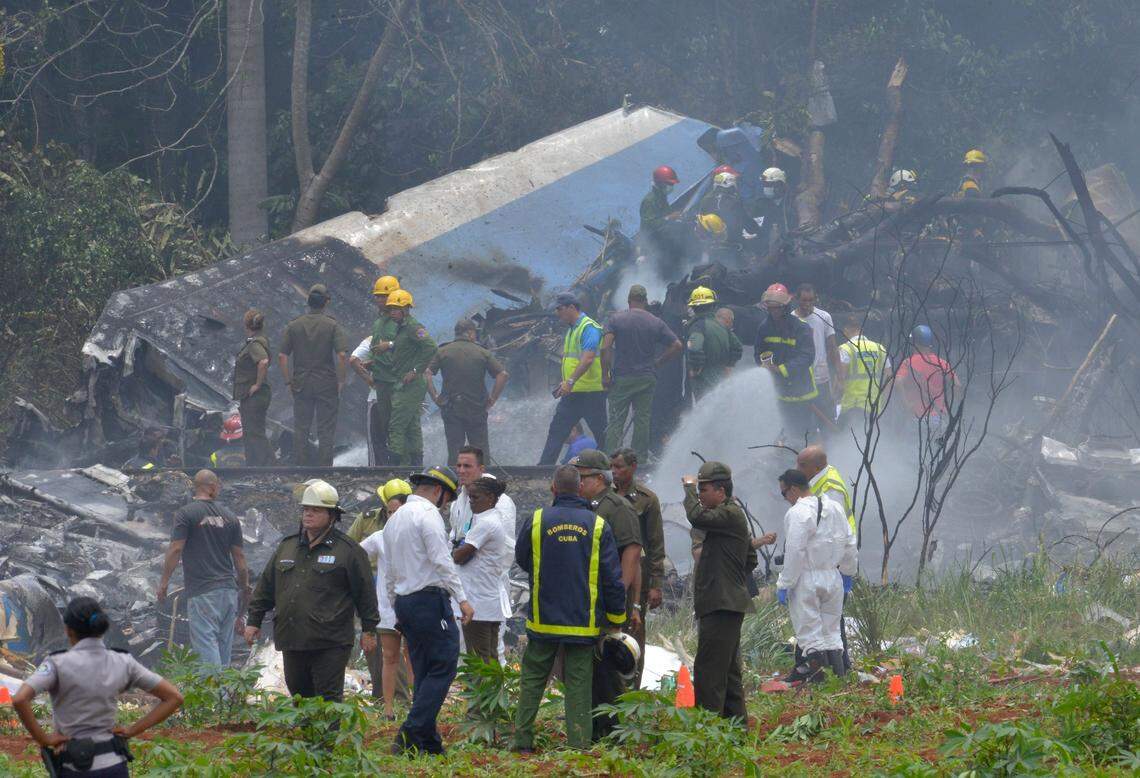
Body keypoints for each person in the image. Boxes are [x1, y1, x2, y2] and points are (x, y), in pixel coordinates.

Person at [512, 465, 627, 753]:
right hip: (582, 623)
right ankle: (579, 746)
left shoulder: (537, 520)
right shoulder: (598, 525)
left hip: (543, 619)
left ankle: (522, 742)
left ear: (553, 488)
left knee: (532, 681)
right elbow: (612, 578)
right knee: (578, 686)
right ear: (579, 489)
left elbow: (523, 559)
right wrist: (616, 619)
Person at [14, 597, 184, 777]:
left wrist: (44, 738)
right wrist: (132, 730)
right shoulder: (123, 662)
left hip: (75, 765)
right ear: (102, 629)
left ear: (68, 630)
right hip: (115, 764)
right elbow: (174, 697)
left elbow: (19, 698)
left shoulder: (57, 664)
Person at [245, 480, 380, 702]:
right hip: (292, 637)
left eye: (315, 510)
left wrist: (369, 630)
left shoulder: (349, 551)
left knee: (327, 698)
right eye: (306, 509)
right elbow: (266, 587)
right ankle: (307, 736)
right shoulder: (287, 546)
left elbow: (365, 593)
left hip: (330, 641)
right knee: (300, 696)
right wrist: (253, 621)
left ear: (332, 515)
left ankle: (327, 737)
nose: (308, 514)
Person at [382, 466, 474, 756]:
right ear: (438, 492)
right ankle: (409, 733)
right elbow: (442, 560)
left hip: (406, 602)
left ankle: (429, 744)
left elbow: (389, 572)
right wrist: (462, 598)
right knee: (445, 663)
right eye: (446, 499)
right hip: (429, 601)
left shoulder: (394, 521)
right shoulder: (428, 515)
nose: (444, 505)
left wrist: (396, 607)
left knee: (423, 670)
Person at [681, 462, 762, 723]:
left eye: (704, 489)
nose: (701, 495)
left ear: (720, 490)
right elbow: (750, 558)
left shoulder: (728, 514)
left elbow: (696, 516)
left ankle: (708, 732)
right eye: (699, 490)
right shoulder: (728, 518)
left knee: (709, 672)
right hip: (726, 602)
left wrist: (688, 488)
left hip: (721, 603)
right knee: (727, 672)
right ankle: (735, 730)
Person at [570, 449, 641, 739]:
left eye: (582, 478)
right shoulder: (584, 506)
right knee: (590, 668)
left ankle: (612, 730)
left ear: (599, 478)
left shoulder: (617, 507)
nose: (578, 484)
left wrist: (619, 595)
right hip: (587, 599)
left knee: (607, 667)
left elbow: (632, 551)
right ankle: (594, 725)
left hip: (606, 600)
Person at [157, 470, 248, 668]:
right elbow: (240, 559)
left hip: (203, 592)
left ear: (195, 487)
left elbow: (175, 549)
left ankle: (212, 697)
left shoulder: (186, 513)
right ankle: (224, 697)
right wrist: (244, 589)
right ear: (213, 487)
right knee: (224, 649)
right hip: (228, 591)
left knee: (206, 648)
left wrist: (163, 582)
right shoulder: (231, 517)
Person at [775, 469, 856, 682]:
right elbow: (850, 541)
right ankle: (837, 682)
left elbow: (795, 551)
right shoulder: (835, 507)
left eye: (784, 494)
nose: (785, 499)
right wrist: (848, 572)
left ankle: (820, 684)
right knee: (832, 633)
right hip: (833, 577)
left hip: (807, 579)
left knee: (810, 634)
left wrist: (785, 583)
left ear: (793, 489)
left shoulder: (797, 513)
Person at [347, 478, 412, 709]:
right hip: (372, 587)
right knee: (375, 645)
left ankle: (401, 698)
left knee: (397, 647)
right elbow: (350, 549)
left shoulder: (414, 525)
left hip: (400, 587)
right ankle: (381, 696)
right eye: (390, 508)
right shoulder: (368, 521)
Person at [600, 285, 682, 460]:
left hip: (622, 378)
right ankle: (639, 461)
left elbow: (605, 347)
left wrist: (605, 374)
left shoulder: (616, 319)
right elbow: (677, 345)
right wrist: (659, 362)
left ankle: (611, 460)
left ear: (629, 301)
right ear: (645, 301)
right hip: (646, 377)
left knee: (616, 421)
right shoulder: (656, 322)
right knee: (642, 421)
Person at [610, 447, 666, 689]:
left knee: (634, 633)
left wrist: (656, 585)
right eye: (612, 467)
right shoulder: (605, 497)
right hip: (610, 573)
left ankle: (632, 687)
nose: (614, 472)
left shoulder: (647, 499)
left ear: (633, 467)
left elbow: (655, 544)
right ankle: (610, 688)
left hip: (637, 577)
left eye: (619, 467)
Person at [278, 284, 349, 466]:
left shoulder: (294, 325)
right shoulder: (332, 325)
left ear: (308, 301)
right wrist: (341, 380)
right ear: (326, 302)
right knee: (326, 429)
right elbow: (342, 355)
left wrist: (288, 381)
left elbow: (282, 356)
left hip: (301, 384)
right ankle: (324, 470)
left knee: (301, 427)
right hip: (326, 383)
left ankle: (302, 467)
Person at [425, 319, 509, 464]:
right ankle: (482, 482)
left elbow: (427, 373)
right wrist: (492, 399)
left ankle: (454, 482)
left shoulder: (443, 351)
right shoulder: (482, 352)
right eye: (474, 333)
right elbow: (503, 375)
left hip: (451, 408)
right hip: (477, 408)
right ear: (470, 333)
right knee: (480, 451)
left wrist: (435, 397)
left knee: (454, 449)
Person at [538, 294, 607, 466]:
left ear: (571, 307)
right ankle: (543, 468)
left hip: (591, 392)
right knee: (557, 430)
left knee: (602, 432)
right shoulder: (572, 329)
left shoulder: (589, 327)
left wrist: (569, 381)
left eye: (559, 309)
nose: (557, 313)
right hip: (574, 393)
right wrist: (567, 383)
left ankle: (609, 466)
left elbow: (588, 358)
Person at [451, 475, 511, 663]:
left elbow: (459, 557)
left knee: (479, 660)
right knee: (489, 657)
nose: (471, 502)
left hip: (478, 602)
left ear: (491, 498)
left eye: (475, 498)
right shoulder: (487, 519)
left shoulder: (486, 523)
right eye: (470, 497)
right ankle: (493, 693)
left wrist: (455, 549)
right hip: (486, 600)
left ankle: (482, 693)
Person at [754, 283, 819, 443]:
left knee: (803, 435)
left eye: (776, 307)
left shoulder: (800, 328)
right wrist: (763, 365)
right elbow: (758, 353)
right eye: (770, 307)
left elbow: (807, 357)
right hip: (778, 393)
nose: (773, 311)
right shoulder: (764, 328)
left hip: (802, 394)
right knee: (781, 434)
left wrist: (780, 369)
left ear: (784, 307)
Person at [348, 275, 402, 466]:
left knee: (378, 444)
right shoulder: (406, 329)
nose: (380, 300)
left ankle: (379, 477)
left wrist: (370, 381)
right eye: (378, 296)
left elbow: (354, 360)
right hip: (399, 397)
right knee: (398, 443)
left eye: (383, 296)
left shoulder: (379, 332)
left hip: (380, 398)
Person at [383, 289, 438, 467]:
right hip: (407, 384)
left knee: (396, 425)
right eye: (390, 308)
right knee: (413, 426)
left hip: (410, 385)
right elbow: (406, 346)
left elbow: (430, 346)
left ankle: (393, 467)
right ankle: (416, 465)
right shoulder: (403, 329)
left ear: (406, 309)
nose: (392, 312)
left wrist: (415, 370)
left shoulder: (414, 327)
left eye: (395, 308)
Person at [684, 286, 742, 401]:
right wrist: (729, 365)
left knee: (705, 411)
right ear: (713, 305)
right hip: (721, 376)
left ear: (693, 307)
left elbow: (694, 348)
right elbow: (737, 348)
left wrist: (696, 369)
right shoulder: (721, 326)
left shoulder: (697, 327)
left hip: (704, 379)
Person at [793, 284, 841, 424]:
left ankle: (831, 444)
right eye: (804, 300)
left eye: (810, 300)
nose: (807, 304)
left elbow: (833, 347)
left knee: (828, 418)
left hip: (821, 378)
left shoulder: (824, 317)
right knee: (802, 421)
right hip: (800, 379)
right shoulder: (791, 320)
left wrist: (840, 377)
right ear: (797, 299)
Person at [233, 308, 274, 465]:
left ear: (246, 326)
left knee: (255, 432)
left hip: (255, 395)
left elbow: (263, 361)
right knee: (252, 432)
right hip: (253, 396)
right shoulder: (258, 340)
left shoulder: (255, 344)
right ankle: (255, 467)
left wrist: (257, 384)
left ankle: (269, 467)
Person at [894, 324, 958, 425]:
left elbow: (898, 381)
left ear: (914, 342)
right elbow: (957, 385)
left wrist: (906, 403)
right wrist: (946, 405)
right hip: (938, 417)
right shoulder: (942, 363)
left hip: (916, 416)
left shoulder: (907, 363)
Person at [836, 316, 890, 430]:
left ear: (847, 329)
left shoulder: (845, 349)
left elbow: (841, 379)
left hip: (853, 405)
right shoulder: (879, 348)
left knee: (848, 439)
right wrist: (884, 400)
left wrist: (835, 399)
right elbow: (889, 377)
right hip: (875, 406)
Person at [751, 167, 794, 253]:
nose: (767, 188)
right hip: (767, 250)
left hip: (791, 248)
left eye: (770, 185)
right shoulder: (760, 205)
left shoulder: (792, 202)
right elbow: (754, 229)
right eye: (765, 185)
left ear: (780, 185)